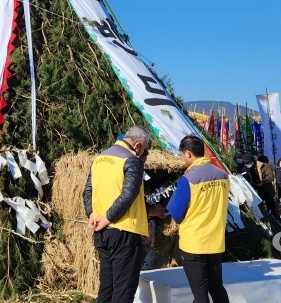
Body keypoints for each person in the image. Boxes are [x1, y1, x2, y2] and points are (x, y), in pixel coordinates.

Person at [82, 126, 152, 303]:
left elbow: (87, 191)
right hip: (124, 231)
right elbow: (129, 194)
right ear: (137, 145)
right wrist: (108, 218)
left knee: (107, 285)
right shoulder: (132, 160)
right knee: (124, 289)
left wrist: (92, 214)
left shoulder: (100, 158)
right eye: (143, 149)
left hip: (101, 233)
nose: (142, 153)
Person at [166, 135, 230, 303]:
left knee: (200, 295)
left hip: (194, 243)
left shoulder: (188, 179)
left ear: (188, 153)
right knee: (217, 289)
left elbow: (177, 212)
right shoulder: (223, 175)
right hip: (215, 242)